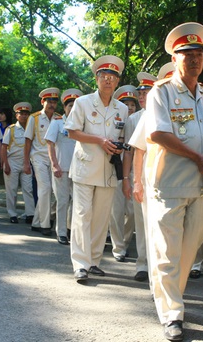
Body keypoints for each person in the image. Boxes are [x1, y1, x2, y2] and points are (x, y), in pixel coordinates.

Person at [144, 22, 203, 341]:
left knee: (191, 247)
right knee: (168, 251)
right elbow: (157, 133)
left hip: (202, 186)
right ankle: (172, 312)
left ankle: (171, 296)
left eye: (198, 53)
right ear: (175, 59)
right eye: (186, 54)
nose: (194, 58)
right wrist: (196, 157)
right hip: (171, 183)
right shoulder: (161, 92)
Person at [64, 55, 128, 282]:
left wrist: (118, 148)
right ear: (97, 79)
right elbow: (72, 132)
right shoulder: (82, 103)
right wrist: (100, 140)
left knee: (101, 218)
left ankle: (94, 261)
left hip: (109, 170)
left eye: (112, 77)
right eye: (104, 76)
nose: (108, 80)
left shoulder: (122, 108)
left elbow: (122, 137)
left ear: (118, 81)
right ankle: (80, 264)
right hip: (85, 167)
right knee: (82, 215)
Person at [121, 71, 158, 282]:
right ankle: (143, 264)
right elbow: (129, 150)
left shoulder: (167, 112)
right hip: (140, 176)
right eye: (140, 93)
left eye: (146, 92)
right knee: (142, 223)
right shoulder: (134, 119)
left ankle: (158, 266)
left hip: (161, 176)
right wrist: (127, 179)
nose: (142, 96)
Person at [45, 89, 82, 245]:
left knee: (78, 202)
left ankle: (72, 230)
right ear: (65, 107)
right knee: (62, 201)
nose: (72, 109)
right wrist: (54, 165)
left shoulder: (82, 123)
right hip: (62, 167)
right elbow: (50, 143)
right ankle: (60, 232)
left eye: (75, 106)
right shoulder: (58, 122)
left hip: (79, 169)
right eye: (69, 105)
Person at [23, 87, 61, 236]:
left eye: (54, 101)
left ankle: (36, 222)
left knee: (51, 191)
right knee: (45, 189)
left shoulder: (59, 118)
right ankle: (45, 225)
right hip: (38, 157)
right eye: (49, 101)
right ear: (42, 102)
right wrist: (26, 162)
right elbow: (27, 141)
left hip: (54, 158)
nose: (52, 104)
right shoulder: (34, 118)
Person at [109, 84, 139, 263]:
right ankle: (118, 247)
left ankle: (126, 241)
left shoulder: (139, 121)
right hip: (115, 170)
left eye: (132, 104)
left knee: (133, 211)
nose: (129, 107)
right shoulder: (113, 121)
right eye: (126, 104)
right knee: (116, 211)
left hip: (134, 172)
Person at [1, 102, 35, 224]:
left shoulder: (32, 128)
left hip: (26, 162)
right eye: (22, 114)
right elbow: (4, 147)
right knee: (12, 189)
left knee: (28, 189)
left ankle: (30, 213)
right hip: (13, 162)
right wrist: (5, 164)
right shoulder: (11, 129)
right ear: (16, 115)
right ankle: (12, 213)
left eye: (26, 114)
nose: (24, 116)